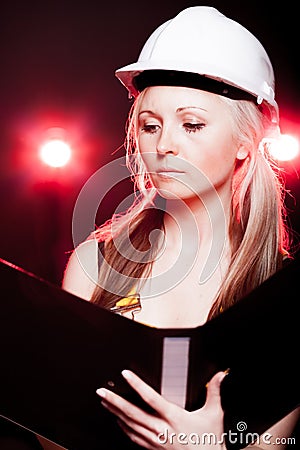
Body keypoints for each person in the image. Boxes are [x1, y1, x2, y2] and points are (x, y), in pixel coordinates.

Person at [61, 6, 299, 450]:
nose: (164, 144)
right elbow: (53, 424)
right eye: (151, 125)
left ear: (245, 142)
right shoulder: (93, 265)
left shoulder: (282, 294)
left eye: (191, 124)